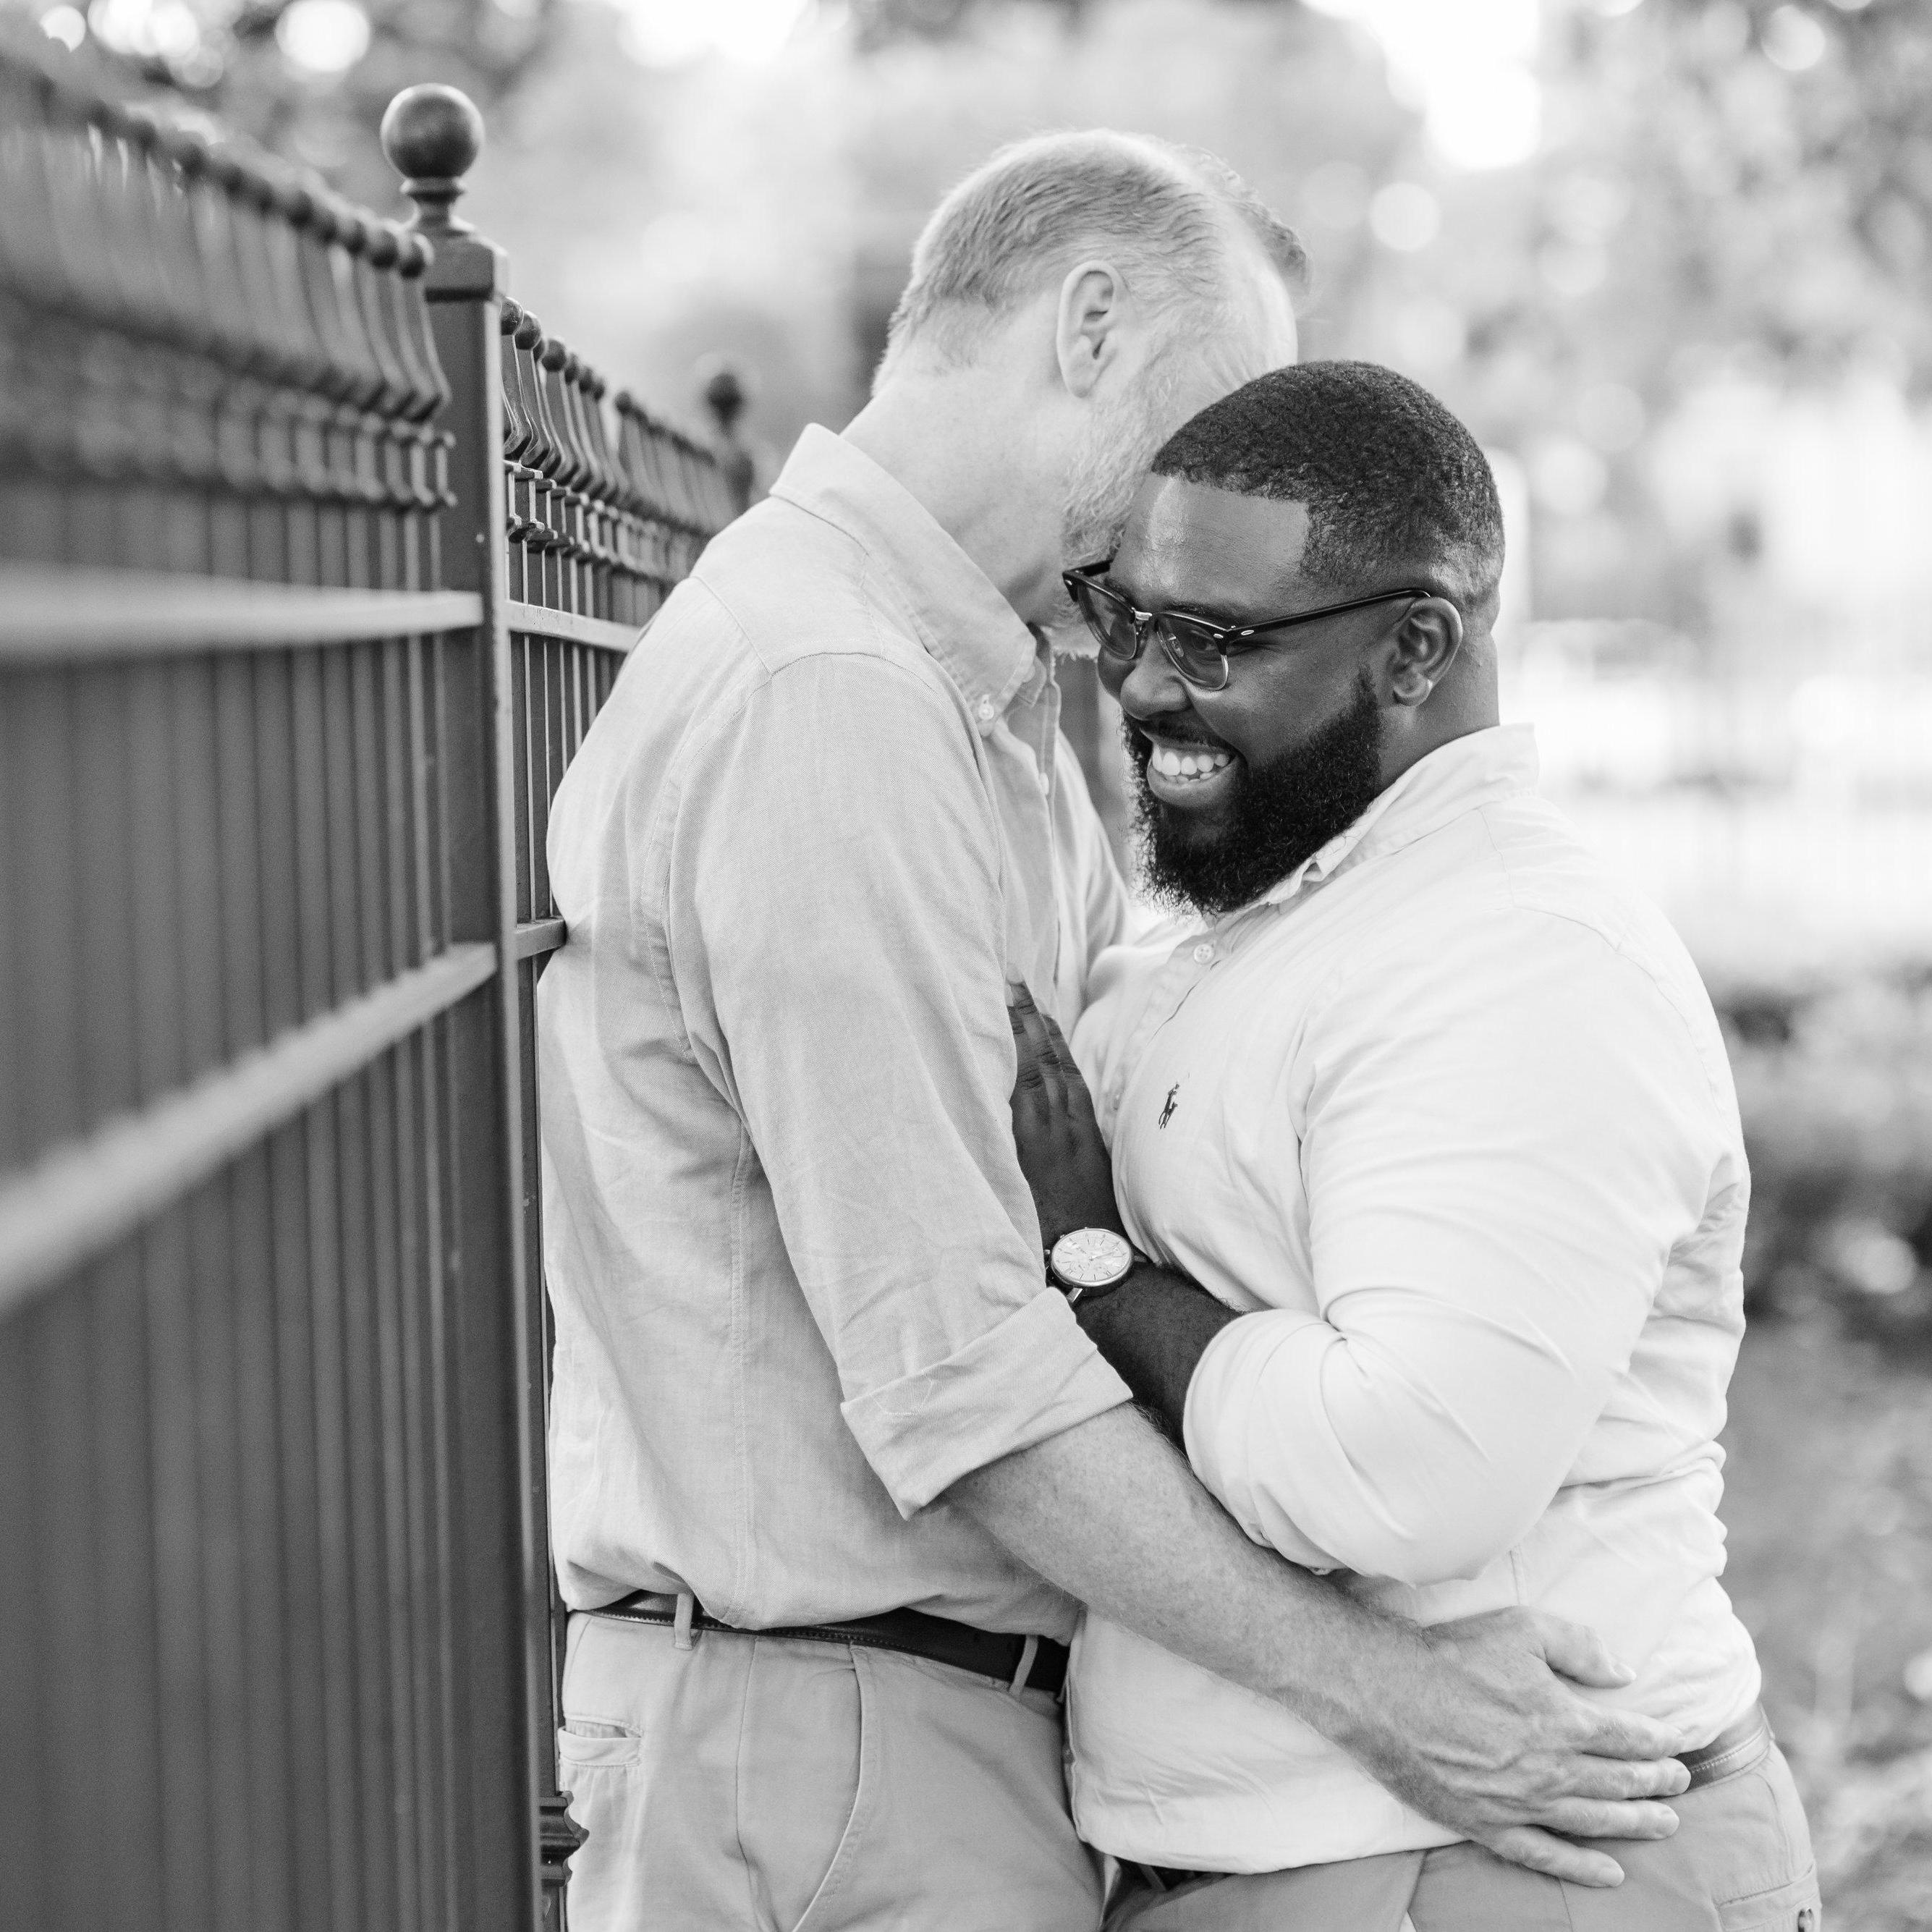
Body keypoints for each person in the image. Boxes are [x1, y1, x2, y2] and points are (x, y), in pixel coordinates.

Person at [536, 137, 1690, 1932]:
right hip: (838, 1743)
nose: (1201, 495)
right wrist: (1399, 1702)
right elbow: (964, 1378)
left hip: (903, 1732)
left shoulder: (975, 703)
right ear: (1089, 327)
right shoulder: (827, 701)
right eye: (1209, 411)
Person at [1008, 360, 1821, 1929]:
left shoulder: (1512, 957)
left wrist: (1095, 1267)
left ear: (1417, 648)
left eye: (1214, 641)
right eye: (1123, 615)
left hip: (1506, 1866)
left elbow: (1401, 1470)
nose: (1144, 684)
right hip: (1351, 1857)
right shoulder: (1294, 917)